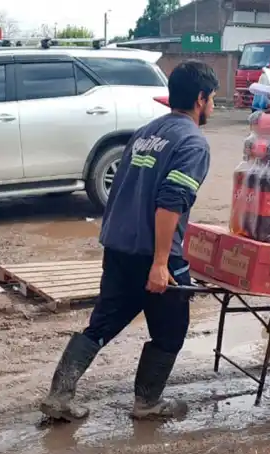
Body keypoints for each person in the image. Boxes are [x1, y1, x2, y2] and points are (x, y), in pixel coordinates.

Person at [39, 60, 218, 423]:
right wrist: (161, 262)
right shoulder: (192, 142)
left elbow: (123, 189)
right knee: (170, 332)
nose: (213, 106)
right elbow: (170, 202)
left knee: (102, 324)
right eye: (212, 98)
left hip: (119, 247)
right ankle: (147, 403)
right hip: (152, 254)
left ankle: (59, 395)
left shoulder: (146, 132)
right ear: (201, 99)